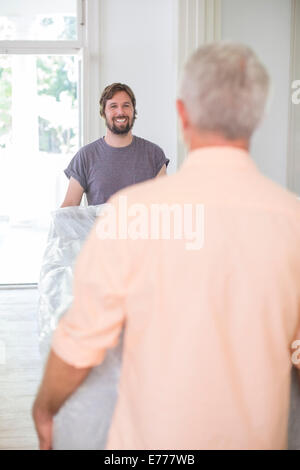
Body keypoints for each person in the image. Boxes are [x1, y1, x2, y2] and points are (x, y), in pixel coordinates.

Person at [33, 43, 300, 450]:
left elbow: (80, 342)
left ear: (182, 114)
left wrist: (45, 408)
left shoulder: (129, 214)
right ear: (259, 117)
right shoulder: (292, 221)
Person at [60, 83, 169, 208]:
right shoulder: (86, 156)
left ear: (133, 110)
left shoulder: (154, 155)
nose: (120, 112)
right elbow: (69, 207)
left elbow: (164, 205)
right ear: (103, 113)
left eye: (126, 106)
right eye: (113, 106)